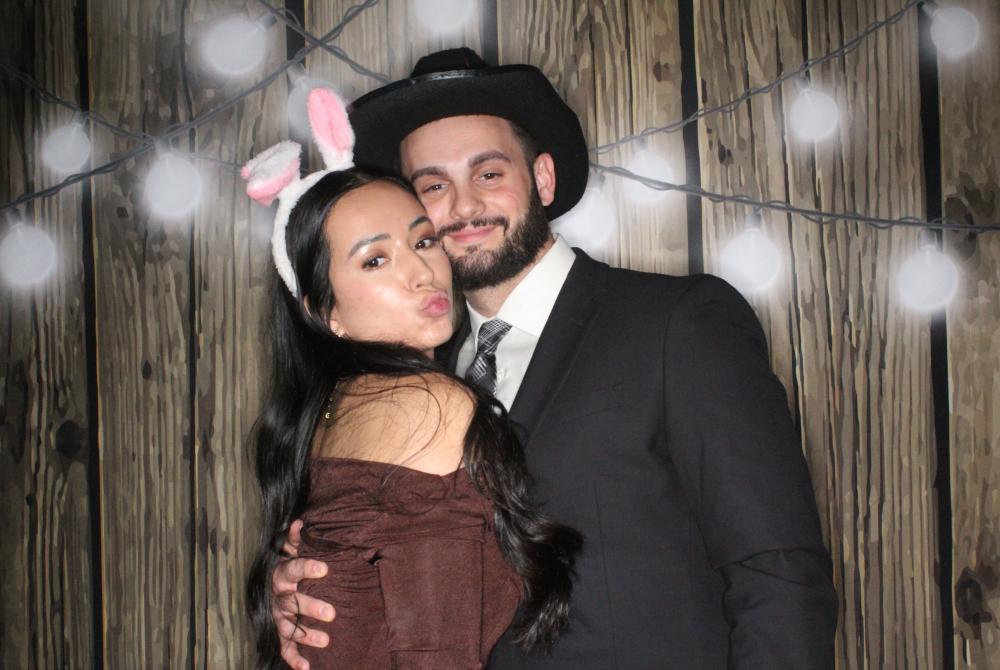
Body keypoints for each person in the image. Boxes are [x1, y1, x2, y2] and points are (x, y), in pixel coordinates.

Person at [272, 49, 839, 669]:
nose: (463, 207)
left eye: (489, 173)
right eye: (433, 186)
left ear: (542, 179)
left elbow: (778, 574)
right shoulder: (414, 378)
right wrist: (316, 595)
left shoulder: (676, 324)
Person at [244, 87, 581, 670]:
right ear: (325, 312)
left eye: (422, 241)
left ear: (542, 177)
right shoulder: (427, 402)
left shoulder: (339, 406)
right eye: (375, 260)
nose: (422, 271)